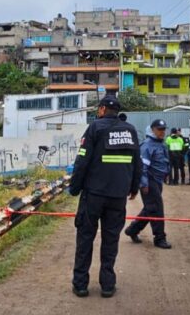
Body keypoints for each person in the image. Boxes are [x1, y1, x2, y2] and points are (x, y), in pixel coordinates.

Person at [69, 96, 142, 299]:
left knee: (85, 238)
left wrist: (74, 188)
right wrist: (134, 187)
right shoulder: (130, 130)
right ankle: (107, 285)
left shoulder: (95, 128)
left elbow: (82, 160)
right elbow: (137, 162)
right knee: (111, 240)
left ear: (102, 109)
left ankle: (81, 284)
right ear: (117, 111)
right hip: (118, 196)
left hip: (93, 195)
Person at [124, 119, 172, 249]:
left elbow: (164, 161)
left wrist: (166, 174)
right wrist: (144, 184)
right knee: (157, 210)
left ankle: (132, 230)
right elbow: (142, 168)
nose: (162, 132)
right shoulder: (147, 145)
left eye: (163, 129)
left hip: (157, 181)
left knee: (150, 208)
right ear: (152, 130)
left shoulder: (160, 144)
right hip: (149, 182)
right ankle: (159, 238)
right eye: (159, 129)